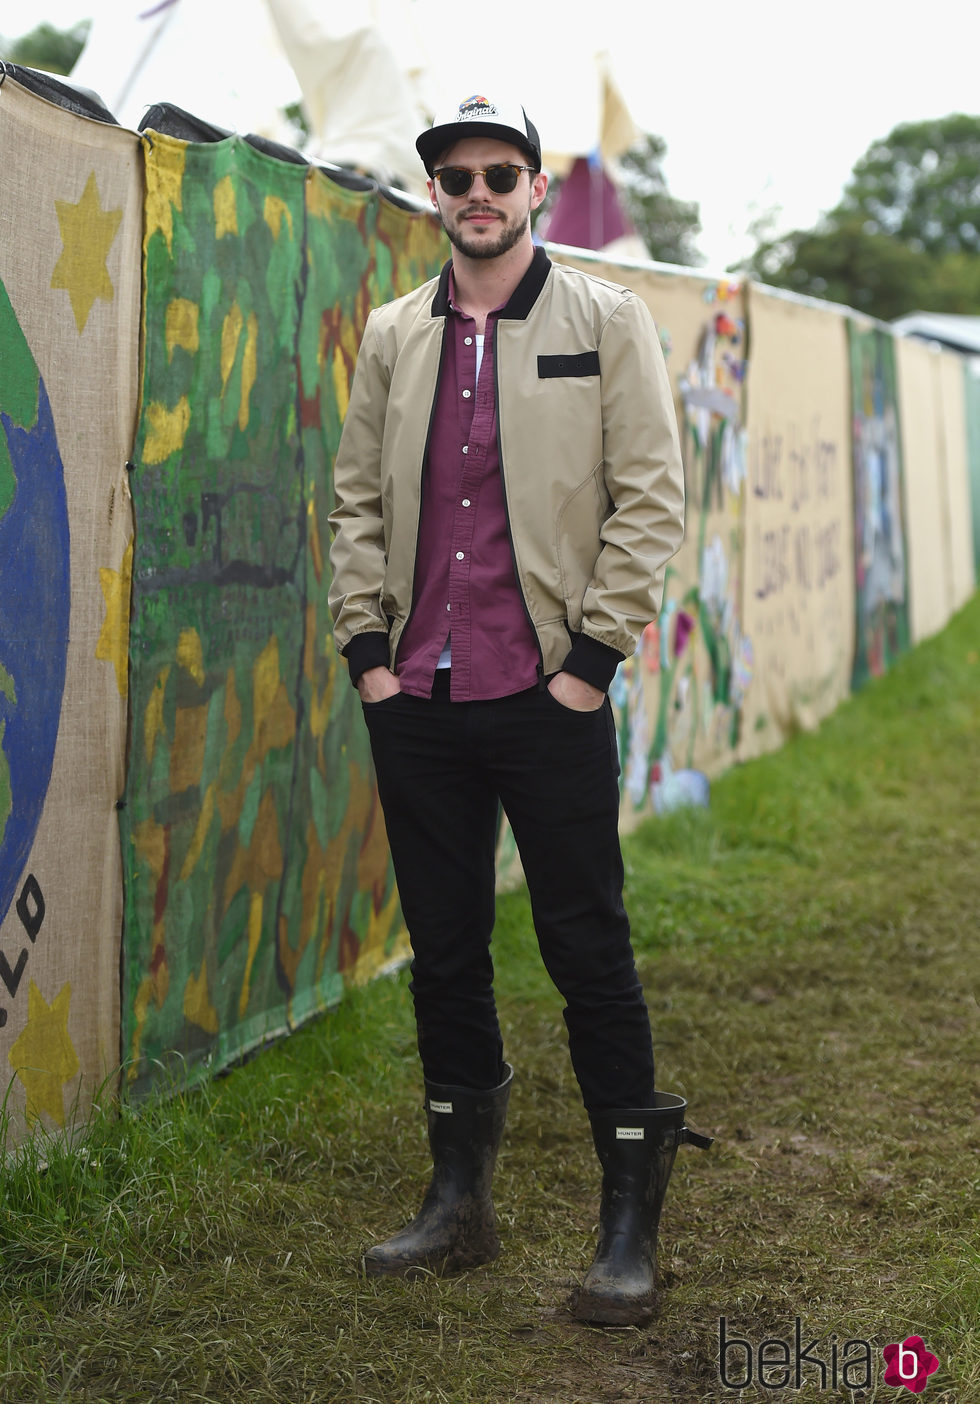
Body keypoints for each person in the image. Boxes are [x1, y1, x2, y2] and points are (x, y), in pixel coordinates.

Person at [327, 91, 711, 1325]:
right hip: (420, 696)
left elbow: (650, 496)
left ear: (536, 188)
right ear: (431, 197)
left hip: (547, 694)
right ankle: (457, 1204)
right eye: (455, 176)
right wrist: (368, 657)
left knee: (585, 949)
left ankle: (626, 1227)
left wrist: (588, 664)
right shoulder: (395, 332)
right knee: (442, 956)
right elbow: (355, 505)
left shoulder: (603, 320)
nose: (477, 192)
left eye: (500, 172)